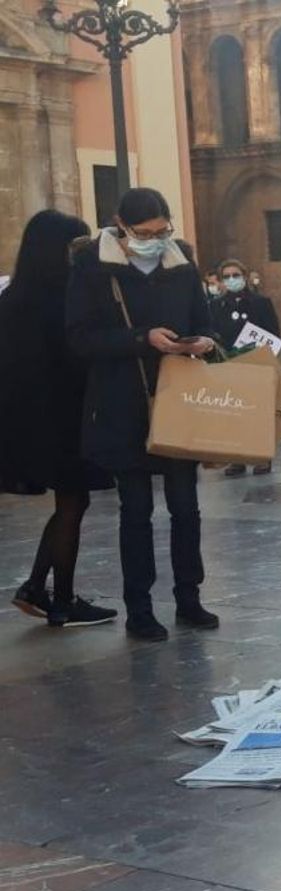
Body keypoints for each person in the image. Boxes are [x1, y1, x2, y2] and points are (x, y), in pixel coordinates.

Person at [65, 188, 225, 642]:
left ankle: (189, 597)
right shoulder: (94, 268)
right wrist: (141, 338)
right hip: (123, 405)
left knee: (186, 508)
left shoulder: (182, 268)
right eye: (146, 233)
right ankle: (140, 607)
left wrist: (202, 341)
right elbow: (79, 338)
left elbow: (204, 321)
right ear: (122, 226)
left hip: (179, 401)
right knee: (135, 511)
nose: (156, 240)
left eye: (163, 231)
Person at [0, 210, 119, 628]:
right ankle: (63, 600)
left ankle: (37, 587)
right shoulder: (59, 299)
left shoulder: (14, 299)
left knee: (73, 502)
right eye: (75, 246)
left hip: (33, 422)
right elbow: (73, 357)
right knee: (73, 502)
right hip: (64, 419)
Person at [207, 258, 281, 475]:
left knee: (258, 413)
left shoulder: (261, 302)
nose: (232, 279)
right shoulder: (215, 305)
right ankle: (237, 458)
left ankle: (261, 457)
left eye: (236, 275)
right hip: (228, 365)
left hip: (256, 364)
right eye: (227, 276)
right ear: (221, 281)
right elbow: (211, 332)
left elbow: (274, 333)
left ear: (245, 276)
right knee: (233, 413)